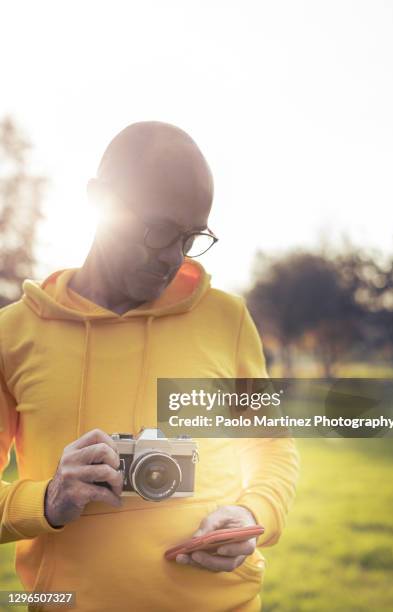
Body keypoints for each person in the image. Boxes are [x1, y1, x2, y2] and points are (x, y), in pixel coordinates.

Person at [0, 121, 300, 612]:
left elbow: (271, 448)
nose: (171, 256)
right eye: (159, 230)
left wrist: (251, 512)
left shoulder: (227, 318)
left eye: (191, 236)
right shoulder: (13, 334)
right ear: (98, 199)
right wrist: (50, 499)